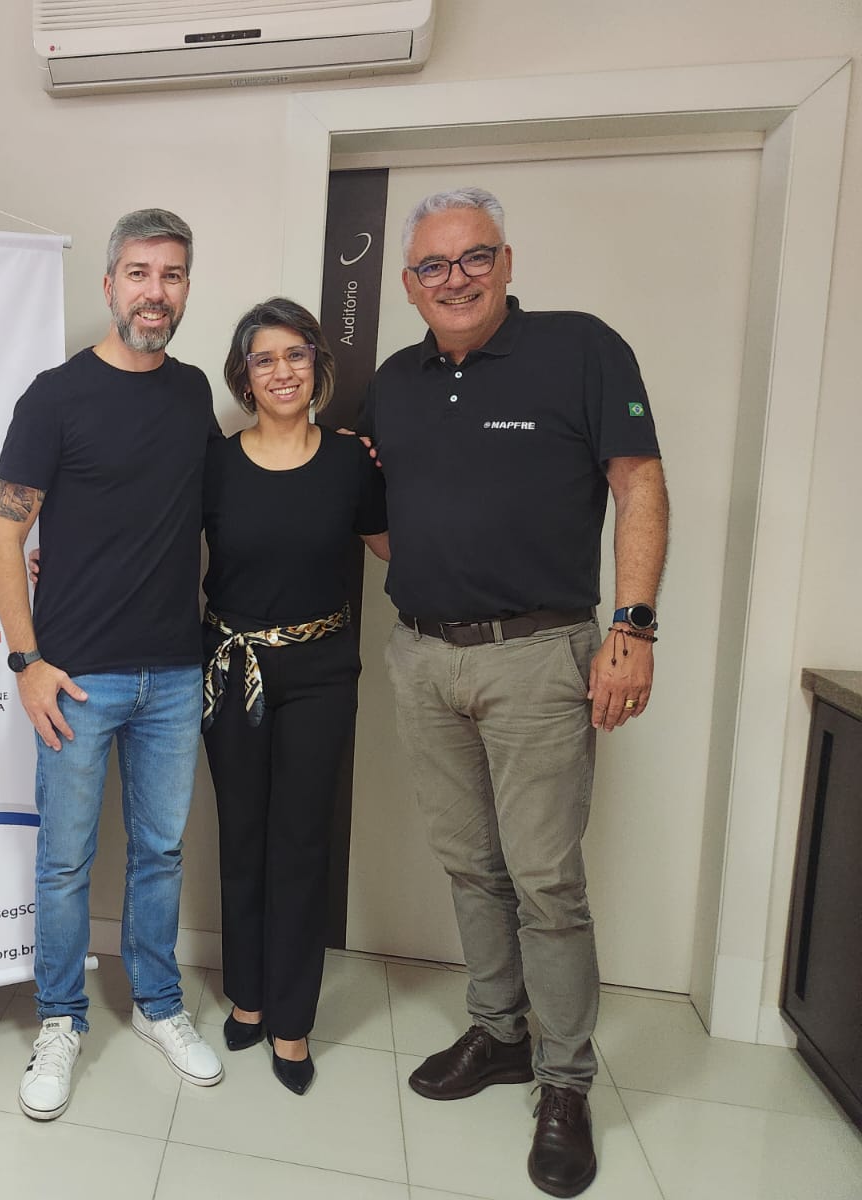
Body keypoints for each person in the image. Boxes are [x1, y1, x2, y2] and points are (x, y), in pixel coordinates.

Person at [361, 187, 668, 1197]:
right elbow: (376, 508)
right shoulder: (392, 382)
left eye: (473, 257)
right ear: (409, 283)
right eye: (432, 266)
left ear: (504, 260)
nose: (454, 278)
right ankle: (498, 1034)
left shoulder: (582, 349)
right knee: (469, 865)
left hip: (540, 658)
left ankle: (564, 1082)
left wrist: (631, 628)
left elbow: (639, 483)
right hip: (422, 656)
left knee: (545, 880)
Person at [0, 207, 223, 1122]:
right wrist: (27, 661)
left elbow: (227, 495)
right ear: (110, 284)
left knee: (159, 853)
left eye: (172, 275)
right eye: (138, 273)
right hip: (76, 678)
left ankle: (159, 1004)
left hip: (174, 673)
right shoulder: (56, 396)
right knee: (65, 863)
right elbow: (4, 533)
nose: (155, 292)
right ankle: (60, 1019)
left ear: (186, 287)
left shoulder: (193, 392)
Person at [200, 298, 389, 1096]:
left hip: (321, 671)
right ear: (244, 376)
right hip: (229, 668)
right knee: (241, 835)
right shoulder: (213, 463)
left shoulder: (351, 462)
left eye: (296, 355)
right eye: (265, 359)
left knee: (301, 843)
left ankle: (291, 1019)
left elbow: (396, 549)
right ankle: (246, 997)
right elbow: (147, 542)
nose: (282, 372)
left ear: (317, 366)